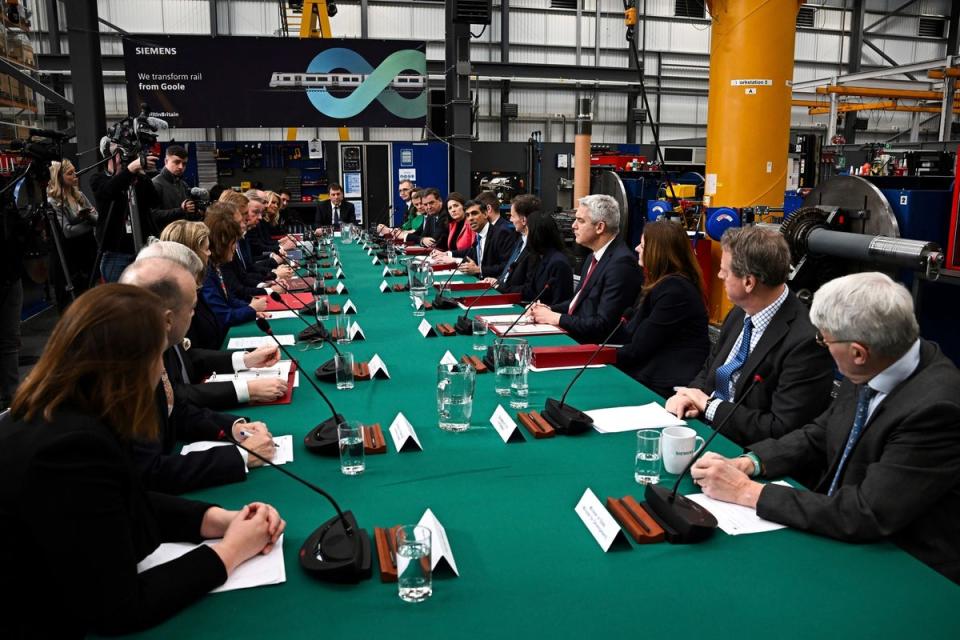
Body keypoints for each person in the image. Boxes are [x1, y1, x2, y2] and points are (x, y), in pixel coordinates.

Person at [0, 284, 285, 637]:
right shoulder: (72, 447)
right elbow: (119, 607)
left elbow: (119, 501)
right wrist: (232, 550)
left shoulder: (67, 412)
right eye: (157, 357)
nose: (161, 372)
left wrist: (217, 520)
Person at [690, 272, 960, 584]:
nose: (823, 345)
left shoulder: (936, 409)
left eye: (825, 340)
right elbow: (822, 431)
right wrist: (751, 462)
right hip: (841, 530)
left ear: (858, 353)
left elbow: (865, 512)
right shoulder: (879, 359)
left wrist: (745, 492)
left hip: (906, 568)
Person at [665, 226, 835, 447]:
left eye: (724, 271)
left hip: (747, 451)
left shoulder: (805, 341)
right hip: (704, 428)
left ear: (748, 282)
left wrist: (708, 406)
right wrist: (688, 396)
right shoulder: (739, 313)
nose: (719, 275)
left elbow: (780, 429)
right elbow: (710, 370)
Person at [120, 257, 278, 494]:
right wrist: (241, 455)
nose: (195, 314)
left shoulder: (151, 344)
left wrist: (234, 429)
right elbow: (147, 473)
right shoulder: (127, 368)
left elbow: (175, 411)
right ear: (167, 318)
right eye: (192, 307)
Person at [145, 236, 288, 410]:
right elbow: (176, 397)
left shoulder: (165, 322)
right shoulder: (142, 340)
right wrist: (246, 390)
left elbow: (189, 358)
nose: (192, 311)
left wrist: (246, 359)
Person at [528, 194, 642, 343]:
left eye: (580, 221)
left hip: (592, 349)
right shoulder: (592, 257)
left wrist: (556, 318)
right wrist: (548, 309)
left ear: (600, 227)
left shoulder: (621, 264)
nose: (573, 225)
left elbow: (603, 325)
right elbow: (578, 303)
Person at [614, 220, 710, 397]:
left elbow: (639, 346)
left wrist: (599, 356)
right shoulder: (662, 284)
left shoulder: (675, 290)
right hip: (651, 375)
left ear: (657, 253)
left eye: (642, 246)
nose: (636, 249)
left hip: (666, 386)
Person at [91, 145, 161, 282]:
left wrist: (141, 174)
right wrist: (130, 170)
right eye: (121, 153)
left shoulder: (137, 178)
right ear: (111, 156)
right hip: (116, 252)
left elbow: (154, 201)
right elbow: (109, 191)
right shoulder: (98, 179)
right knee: (118, 297)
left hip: (142, 249)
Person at [202, 210, 269, 330]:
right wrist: (251, 309)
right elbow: (223, 316)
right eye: (234, 242)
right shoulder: (207, 273)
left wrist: (250, 308)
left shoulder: (215, 266)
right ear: (223, 242)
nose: (235, 247)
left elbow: (230, 299)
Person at [46, 159, 98, 308]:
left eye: (74, 171)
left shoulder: (79, 195)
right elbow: (67, 232)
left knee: (89, 301)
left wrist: (88, 218)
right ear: (59, 177)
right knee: (72, 305)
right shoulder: (53, 201)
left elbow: (98, 218)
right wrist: (89, 221)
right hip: (68, 259)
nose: (75, 176)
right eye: (70, 173)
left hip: (87, 254)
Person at [437, 198, 516, 278]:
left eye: (474, 213)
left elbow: (507, 266)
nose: (470, 218)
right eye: (467, 215)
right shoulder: (479, 234)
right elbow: (472, 251)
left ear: (485, 214)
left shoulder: (501, 234)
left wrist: (479, 270)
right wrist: (448, 254)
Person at [509, 211, 573, 305]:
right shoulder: (537, 257)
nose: (526, 236)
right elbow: (531, 289)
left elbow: (560, 303)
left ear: (536, 234)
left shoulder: (558, 263)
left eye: (527, 230)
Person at [483, 194, 539, 289]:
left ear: (524, 220)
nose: (510, 219)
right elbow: (509, 272)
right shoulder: (520, 240)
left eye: (512, 216)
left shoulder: (534, 247)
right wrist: (498, 280)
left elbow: (528, 287)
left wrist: (500, 286)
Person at [151, 144, 199, 231]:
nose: (181, 167)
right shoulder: (155, 184)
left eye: (184, 164)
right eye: (177, 162)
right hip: (165, 239)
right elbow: (153, 215)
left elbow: (186, 213)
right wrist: (180, 210)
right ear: (166, 161)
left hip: (182, 234)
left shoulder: (183, 184)